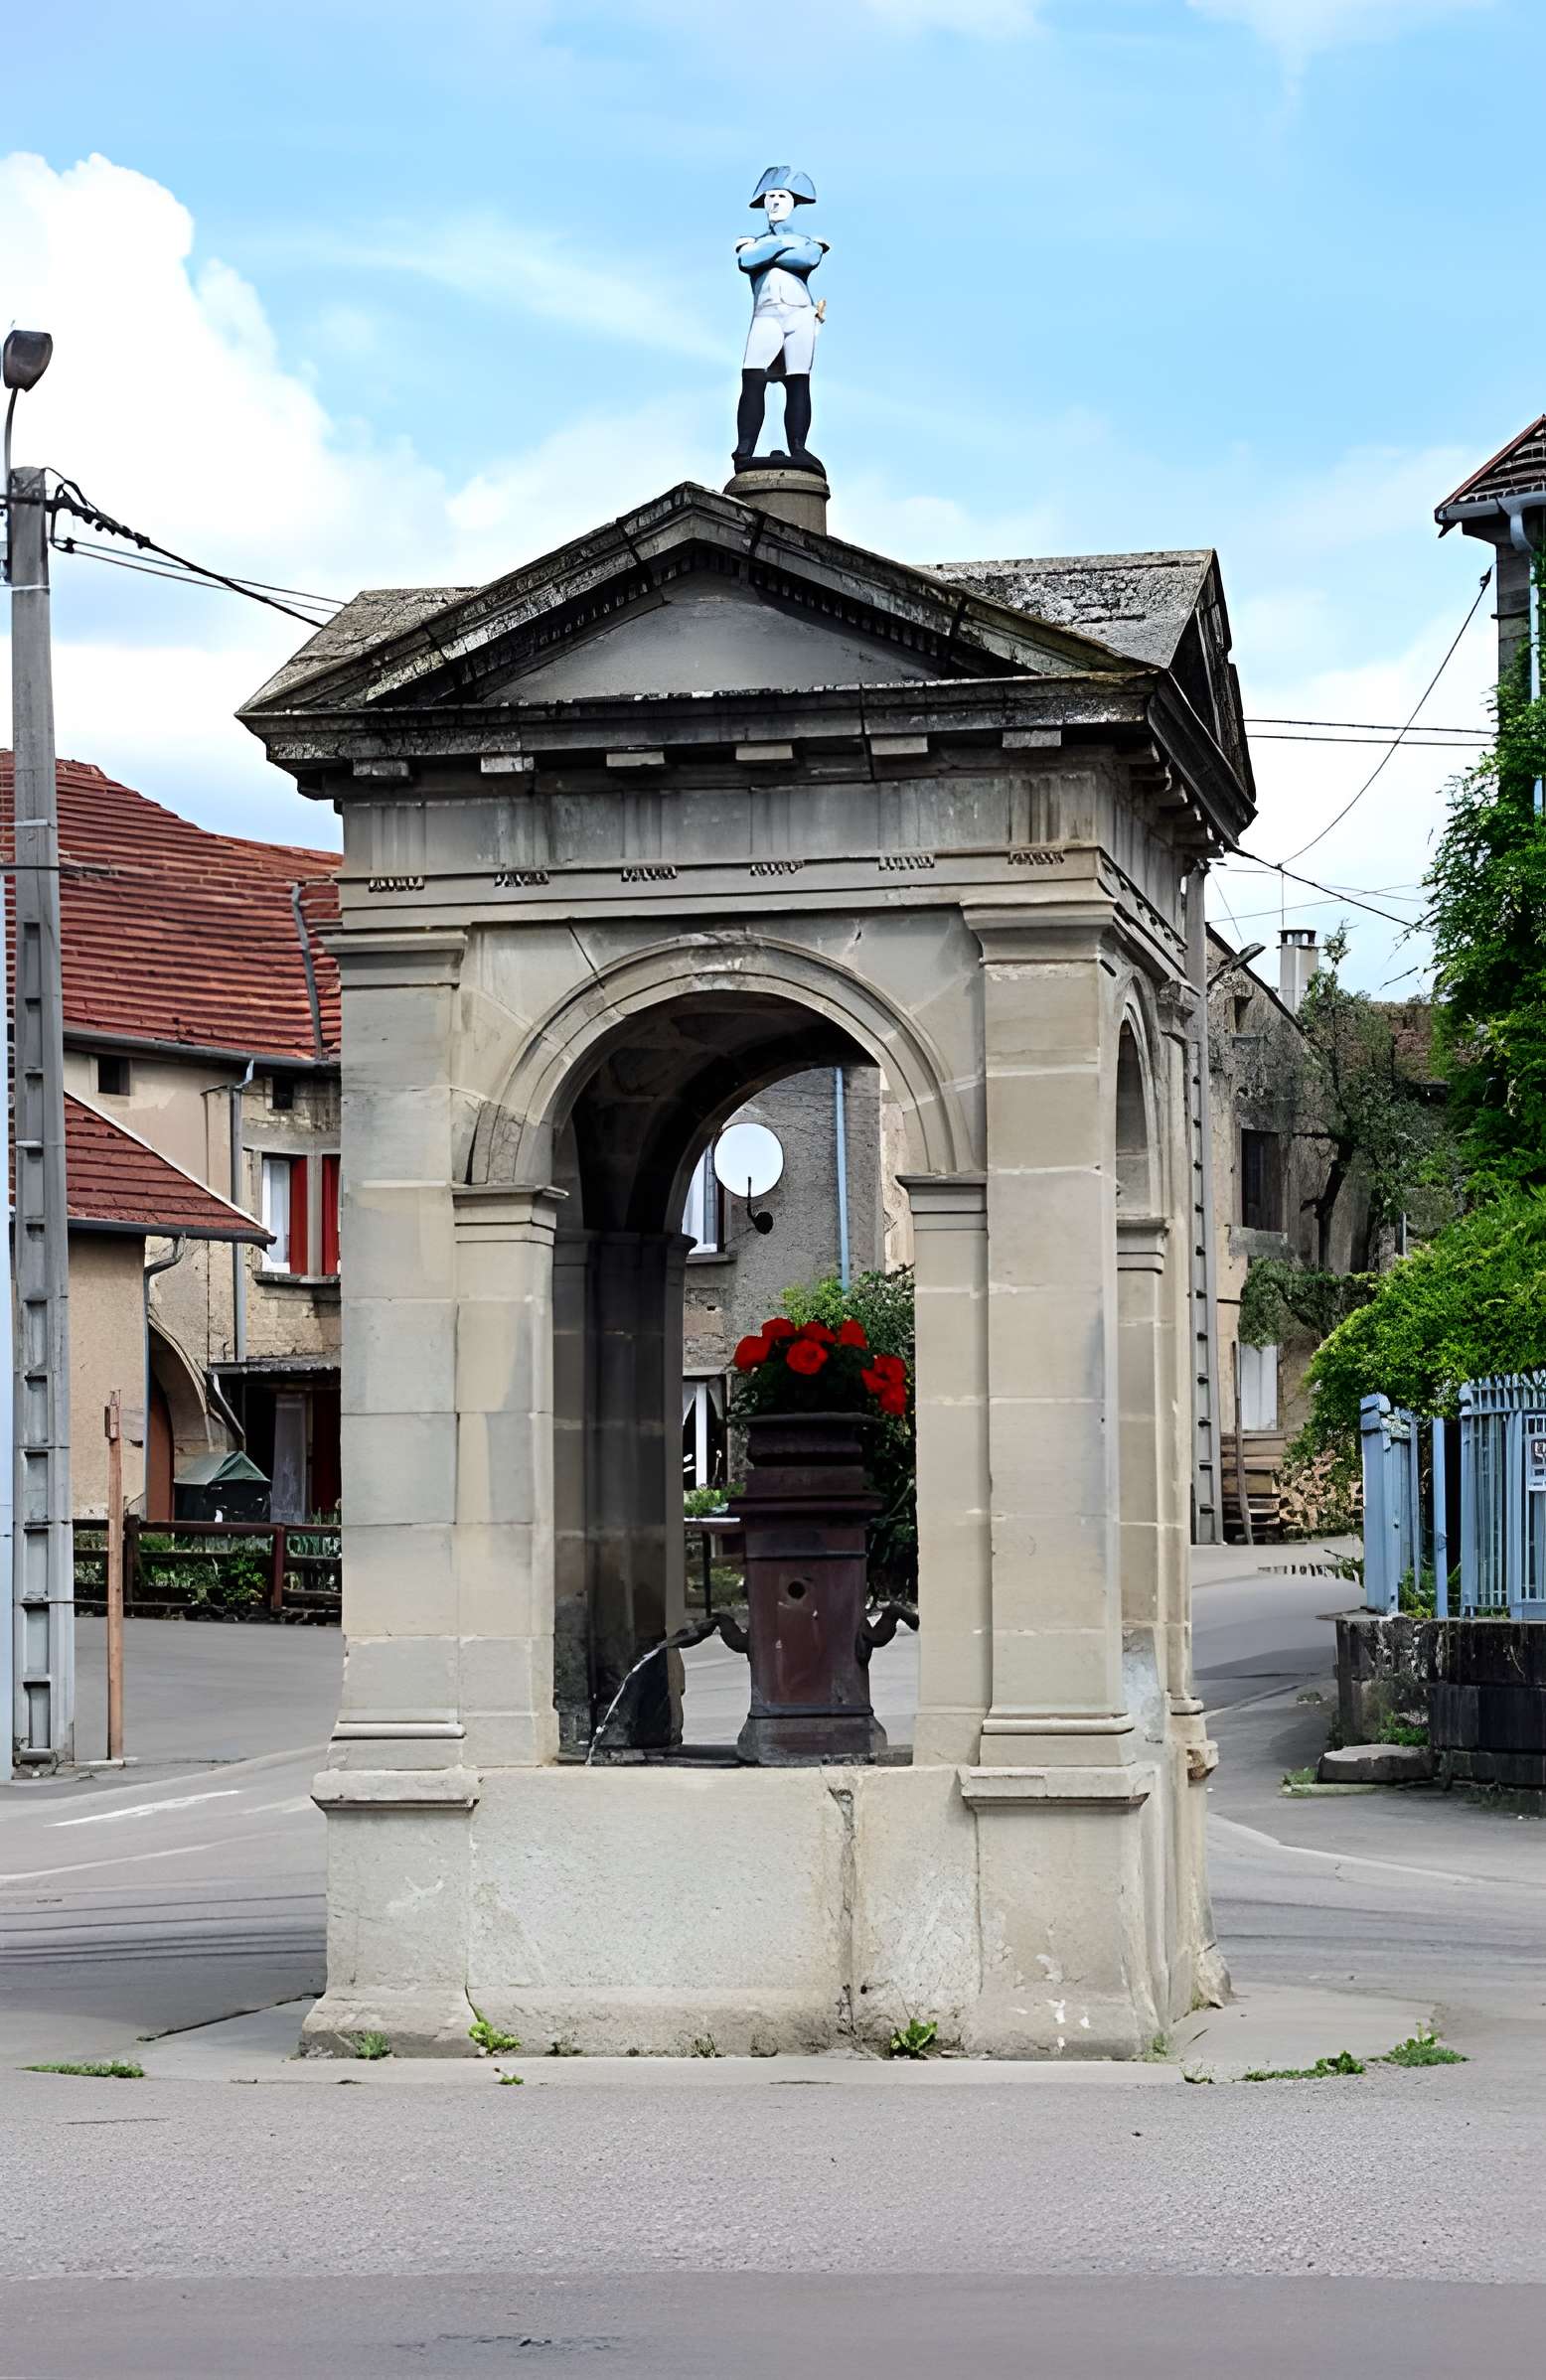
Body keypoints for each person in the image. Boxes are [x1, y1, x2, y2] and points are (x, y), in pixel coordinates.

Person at [733, 168, 828, 474]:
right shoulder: (750, 242)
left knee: (798, 380)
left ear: (792, 202)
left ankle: (798, 446)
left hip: (800, 313)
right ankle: (744, 448)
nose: (774, 202)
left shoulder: (807, 243)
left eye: (781, 196)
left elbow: (808, 258)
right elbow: (747, 260)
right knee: (753, 377)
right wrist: (784, 246)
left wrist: (769, 249)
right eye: (770, 197)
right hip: (768, 314)